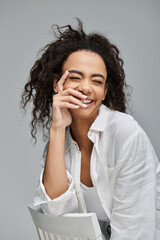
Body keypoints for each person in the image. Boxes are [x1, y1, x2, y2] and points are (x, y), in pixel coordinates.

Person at [21, 18, 160, 239]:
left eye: (96, 81)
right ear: (57, 84)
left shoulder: (126, 134)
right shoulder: (59, 140)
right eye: (75, 78)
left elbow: (135, 231)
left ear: (105, 92)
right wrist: (57, 129)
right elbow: (54, 215)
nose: (86, 88)